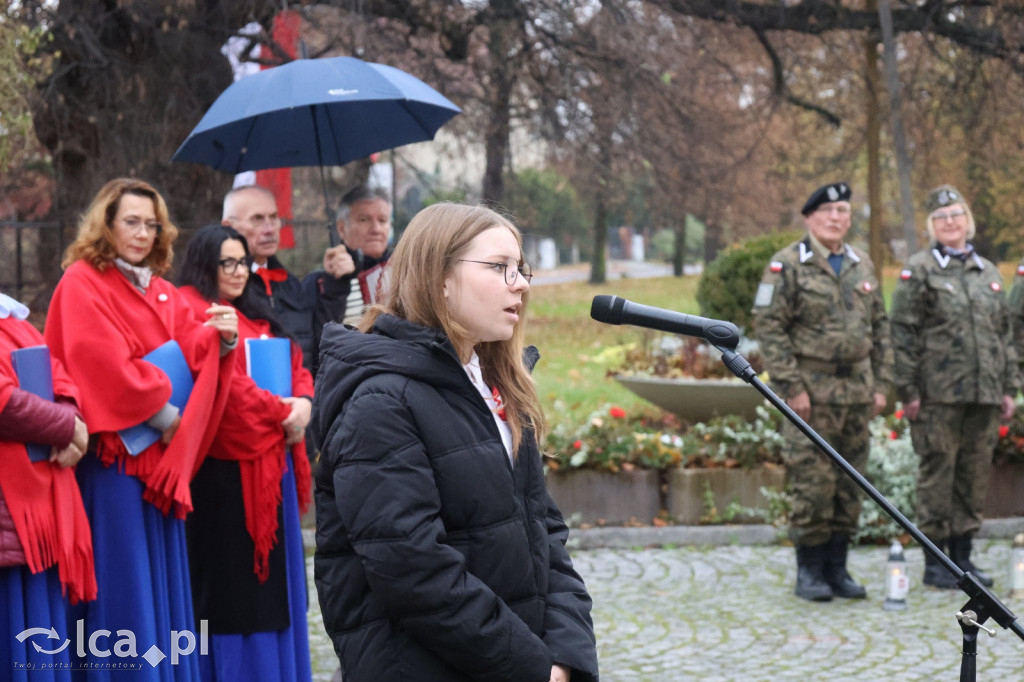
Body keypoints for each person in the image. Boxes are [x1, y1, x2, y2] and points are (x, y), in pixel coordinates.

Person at [311, 203, 599, 682]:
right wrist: (532, 668)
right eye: (499, 267)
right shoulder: (381, 400)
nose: (521, 283)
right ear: (439, 277)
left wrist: (565, 656)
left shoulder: (494, 385)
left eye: (521, 268)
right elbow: (412, 569)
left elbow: (544, 533)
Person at [44, 178, 238, 679]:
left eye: (152, 224)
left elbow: (191, 349)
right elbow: (99, 363)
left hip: (157, 467)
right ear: (106, 224)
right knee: (124, 583)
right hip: (114, 466)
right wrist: (168, 415)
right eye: (131, 221)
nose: (144, 233)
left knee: (162, 587)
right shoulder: (82, 281)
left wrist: (223, 340)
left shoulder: (163, 290)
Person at [176, 224, 313, 681]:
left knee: (273, 594)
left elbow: (296, 364)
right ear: (204, 264)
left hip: (273, 470)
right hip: (224, 476)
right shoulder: (193, 311)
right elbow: (230, 396)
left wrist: (304, 404)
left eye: (243, 263)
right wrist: (284, 413)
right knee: (233, 596)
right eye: (227, 263)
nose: (238, 272)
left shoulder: (252, 312)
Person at [752, 181, 893, 602]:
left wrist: (882, 385)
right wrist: (791, 387)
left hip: (856, 392)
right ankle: (809, 571)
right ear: (810, 217)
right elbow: (769, 327)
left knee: (851, 485)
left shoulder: (862, 263)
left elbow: (881, 327)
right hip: (809, 395)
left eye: (843, 211)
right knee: (813, 485)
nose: (836, 218)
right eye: (828, 210)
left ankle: (838, 568)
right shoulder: (786, 265)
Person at [890, 184, 1017, 589]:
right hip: (937, 395)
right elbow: (903, 334)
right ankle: (936, 560)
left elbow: (1005, 335)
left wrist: (1009, 387)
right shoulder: (920, 270)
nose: (950, 223)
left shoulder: (989, 273)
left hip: (983, 394)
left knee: (973, 475)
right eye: (941, 218)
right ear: (931, 226)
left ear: (968, 221)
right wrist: (908, 390)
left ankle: (963, 557)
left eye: (956, 215)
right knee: (937, 475)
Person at [0, 292, 94, 680]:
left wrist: (69, 423)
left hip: (38, 507)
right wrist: (67, 427)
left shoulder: (16, 321)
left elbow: (58, 376)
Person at [303, 185, 393, 374]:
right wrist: (334, 289)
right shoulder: (317, 283)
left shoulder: (407, 273)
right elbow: (314, 353)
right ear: (342, 228)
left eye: (383, 220)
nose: (376, 229)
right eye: (364, 220)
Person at [222, 185, 314, 368]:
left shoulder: (291, 283)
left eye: (273, 217)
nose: (270, 228)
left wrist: (335, 287)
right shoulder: (224, 288)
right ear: (229, 226)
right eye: (257, 219)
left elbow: (316, 346)